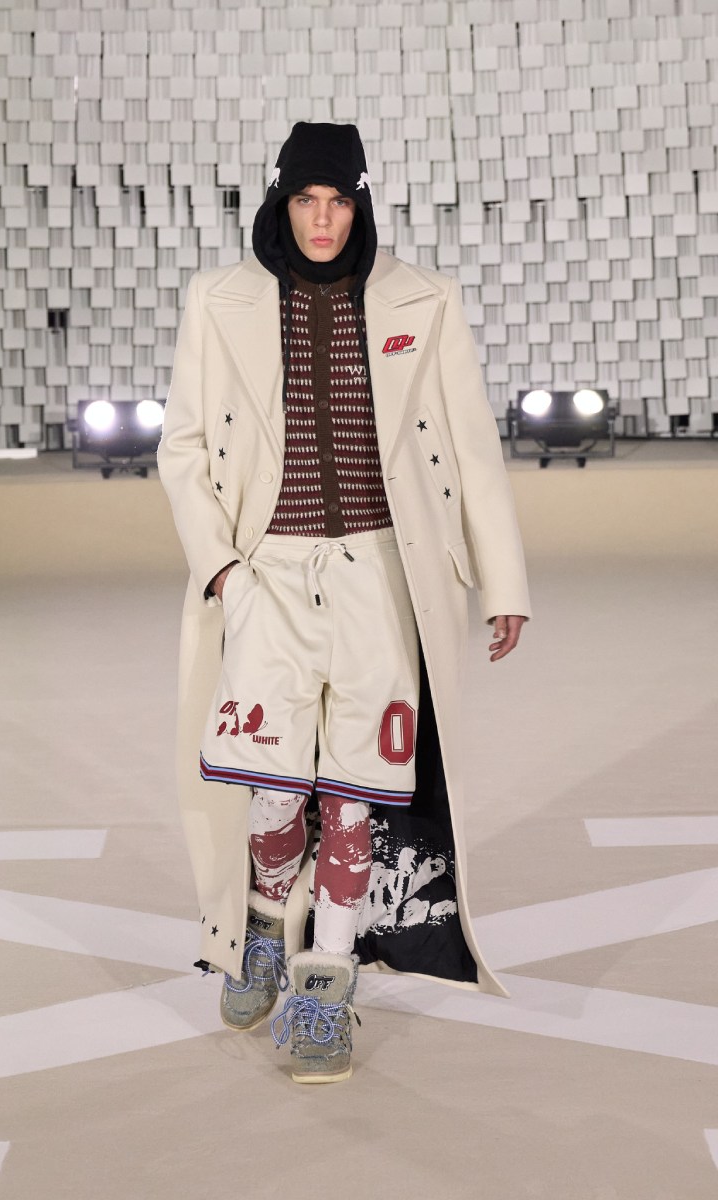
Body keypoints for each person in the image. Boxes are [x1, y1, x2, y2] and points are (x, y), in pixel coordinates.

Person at [158, 121, 531, 1085]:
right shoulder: (219, 298)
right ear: (281, 203)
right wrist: (224, 570)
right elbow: (184, 446)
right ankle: (262, 927)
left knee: (359, 787)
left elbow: (470, 446)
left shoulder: (422, 298)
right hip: (267, 570)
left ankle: (325, 980)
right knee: (275, 783)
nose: (322, 220)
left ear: (360, 205)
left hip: (381, 572)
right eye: (306, 201)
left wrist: (503, 580)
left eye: (338, 201)